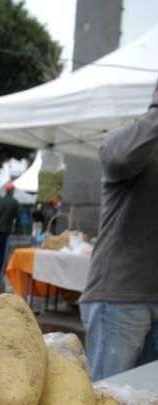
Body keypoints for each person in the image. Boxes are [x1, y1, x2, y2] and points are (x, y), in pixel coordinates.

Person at [80, 82, 158, 381]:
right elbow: (119, 158)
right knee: (107, 399)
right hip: (119, 299)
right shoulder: (127, 143)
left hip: (151, 296)